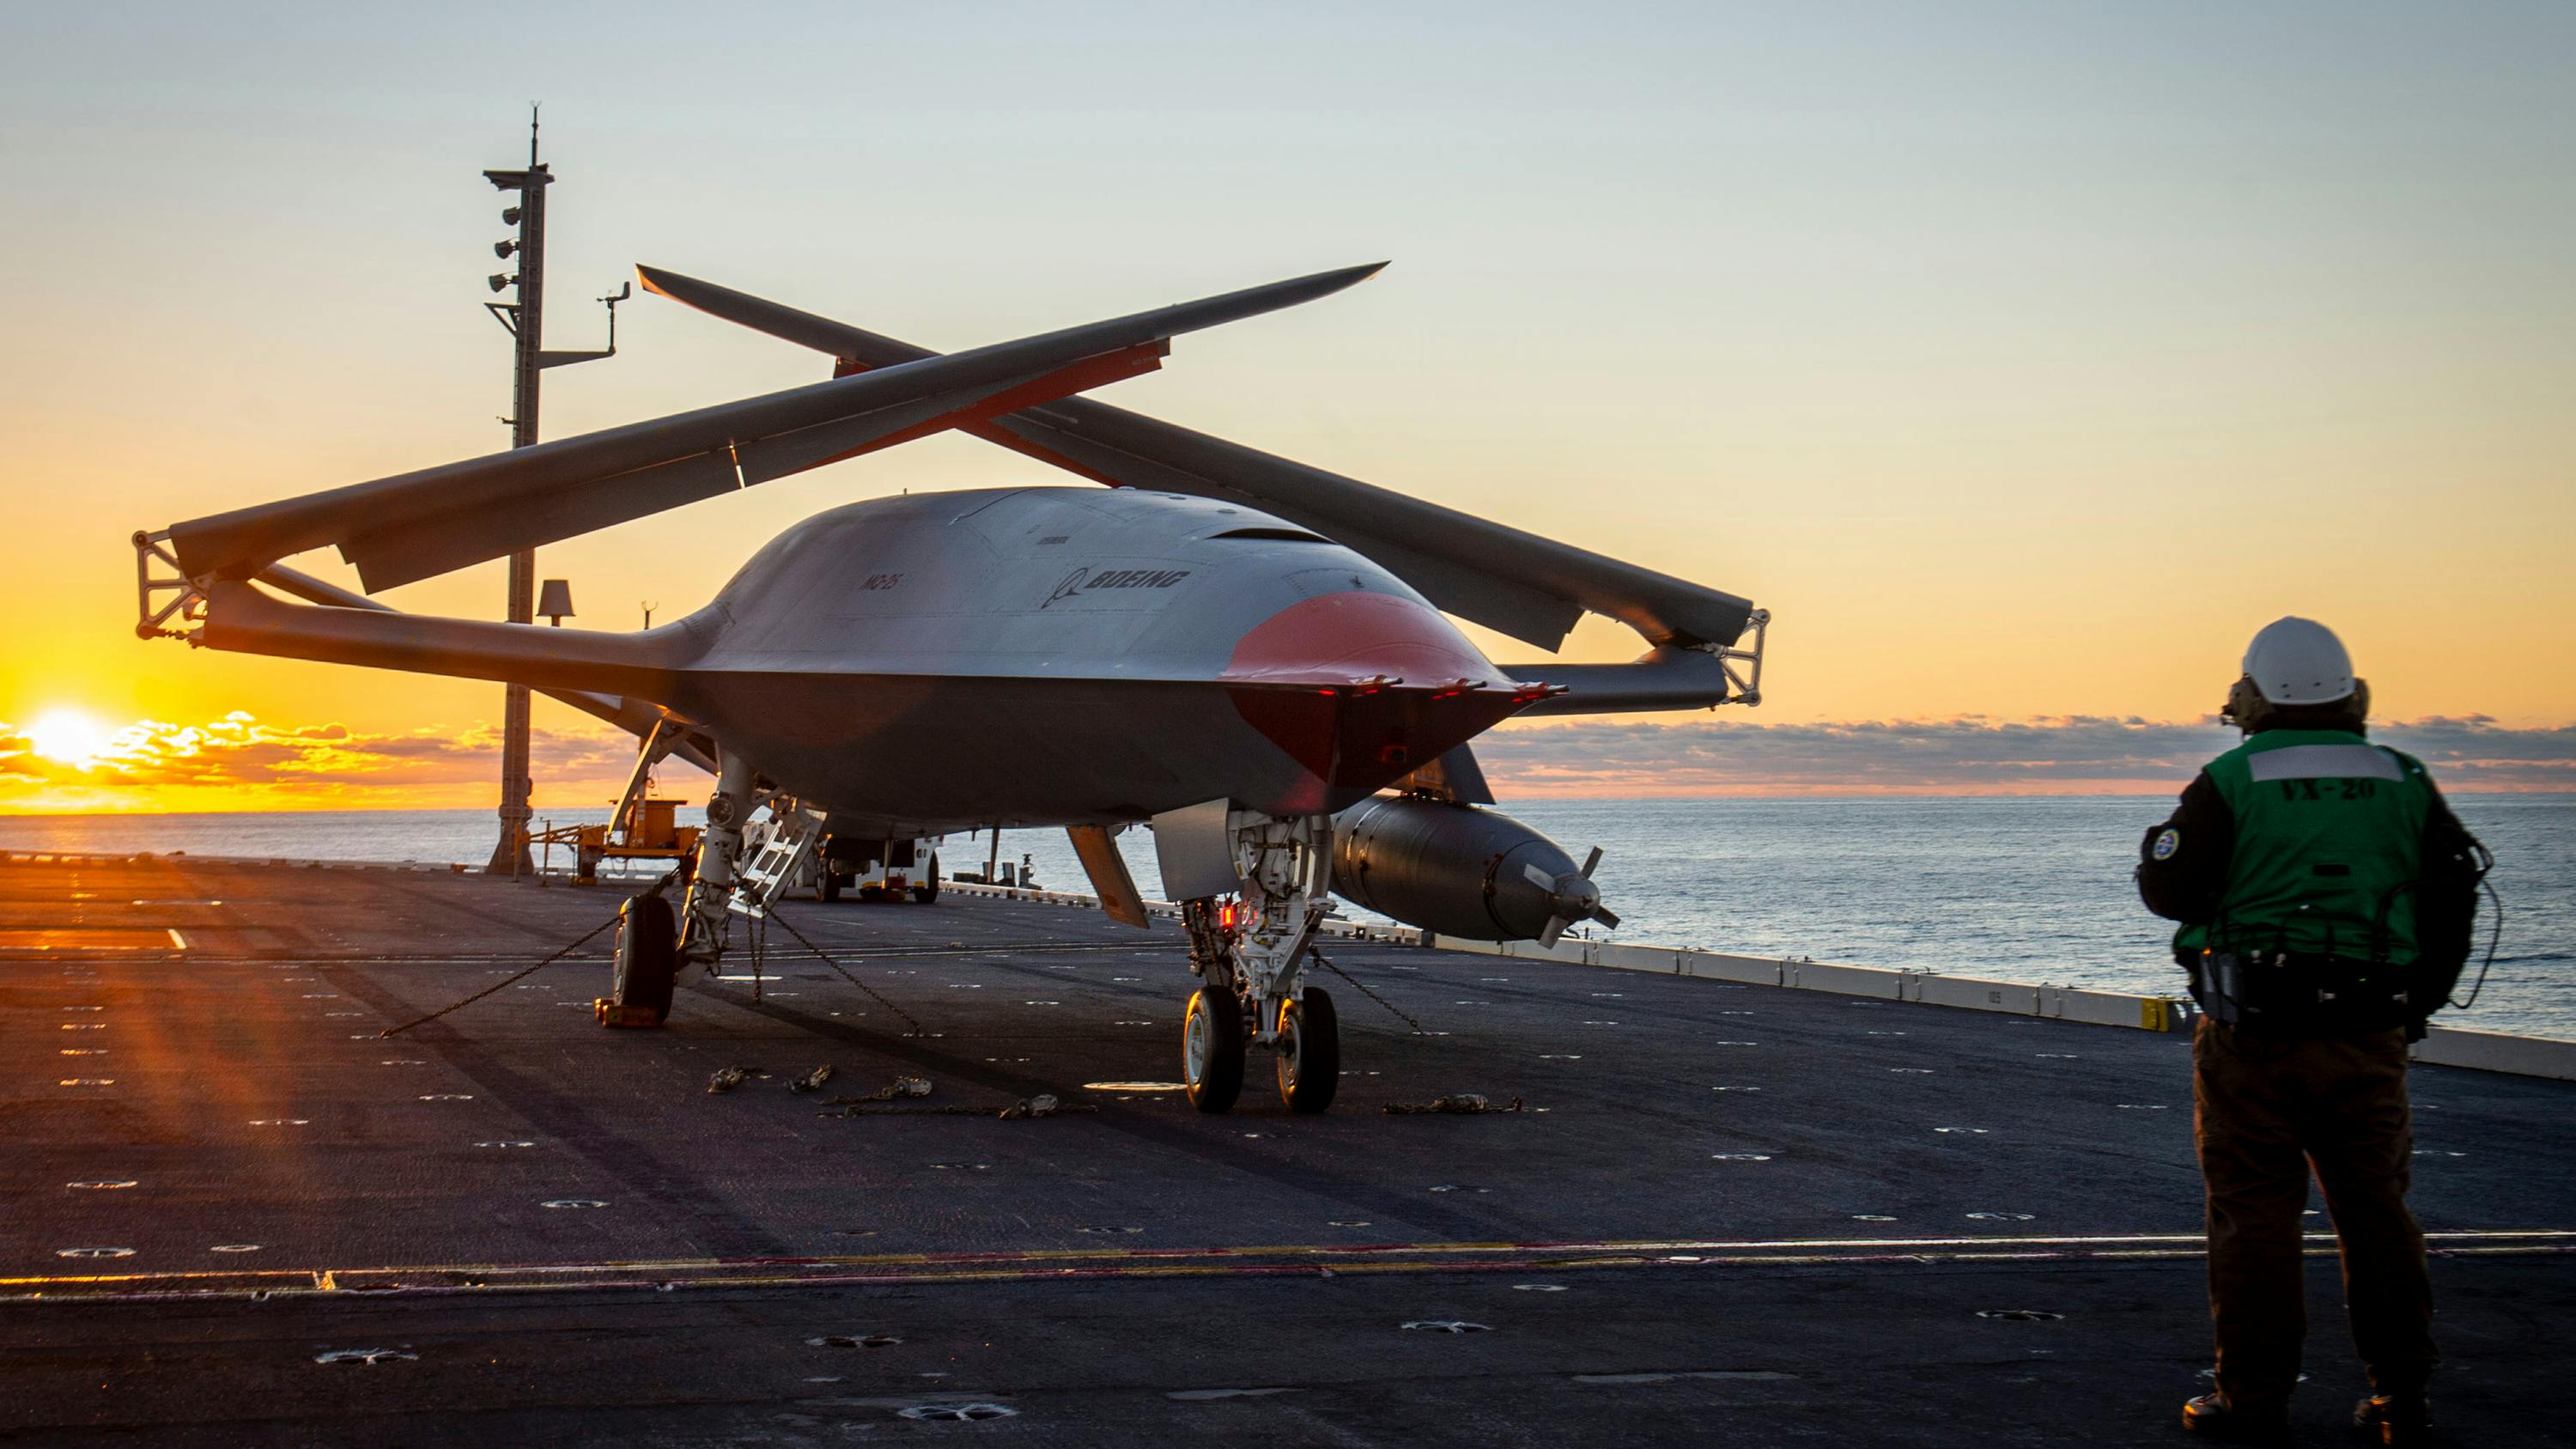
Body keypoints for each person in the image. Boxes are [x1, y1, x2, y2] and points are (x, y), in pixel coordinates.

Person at [2136, 618, 2486, 1446]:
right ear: (2353, 693)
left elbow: (2169, 889)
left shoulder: (2231, 779)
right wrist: (2414, 1007)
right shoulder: (2404, 779)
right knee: (2377, 1213)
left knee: (2253, 1215)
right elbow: (2455, 902)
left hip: (2251, 1035)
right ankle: (2403, 1397)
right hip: (2367, 1033)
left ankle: (2252, 1400)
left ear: (2248, 696)